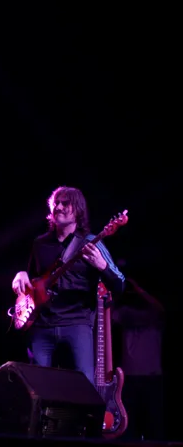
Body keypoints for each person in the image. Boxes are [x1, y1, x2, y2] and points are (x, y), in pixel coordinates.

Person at [11, 186, 125, 385]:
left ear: (78, 210)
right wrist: (21, 274)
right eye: (56, 203)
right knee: (37, 387)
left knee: (84, 387)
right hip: (42, 327)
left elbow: (119, 285)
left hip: (77, 324)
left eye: (66, 203)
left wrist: (103, 266)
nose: (59, 207)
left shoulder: (91, 243)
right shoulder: (40, 244)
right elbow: (34, 280)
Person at [111, 275, 165, 441]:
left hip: (152, 376)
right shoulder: (126, 312)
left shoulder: (154, 314)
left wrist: (139, 290)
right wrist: (119, 290)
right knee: (129, 426)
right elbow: (109, 312)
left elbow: (160, 310)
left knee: (154, 425)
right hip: (129, 377)